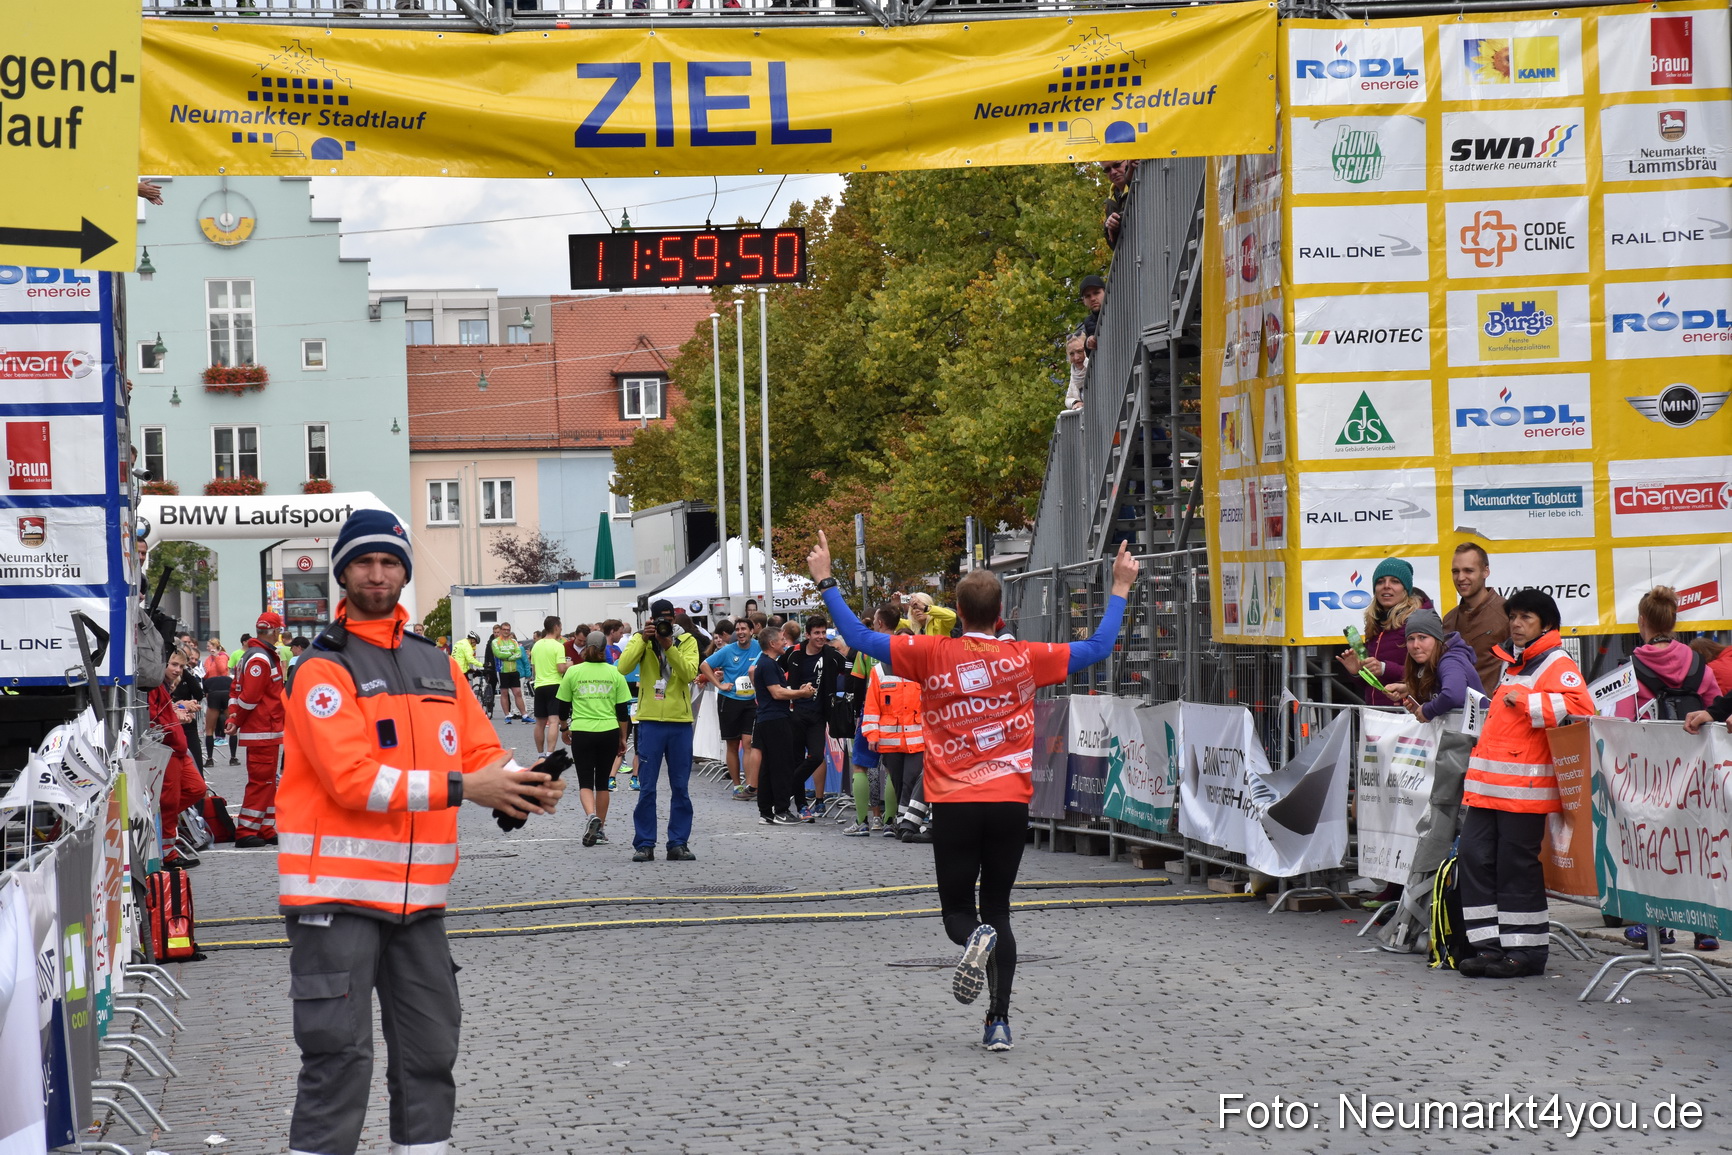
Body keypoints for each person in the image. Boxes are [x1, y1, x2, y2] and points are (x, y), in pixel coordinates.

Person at [277, 508, 564, 1155]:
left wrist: (524, 781)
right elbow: (355, 780)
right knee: (338, 1064)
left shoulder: (437, 662)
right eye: (364, 562)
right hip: (336, 901)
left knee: (431, 1057)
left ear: (405, 572)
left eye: (389, 562)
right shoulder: (322, 669)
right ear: (343, 571)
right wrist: (469, 788)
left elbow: (483, 754)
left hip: (420, 905)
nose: (377, 574)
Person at [810, 530, 1138, 1052]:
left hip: (955, 804)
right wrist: (1120, 585)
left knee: (960, 914)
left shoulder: (931, 652)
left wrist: (826, 578)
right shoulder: (1028, 656)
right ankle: (999, 1022)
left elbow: (856, 636)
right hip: (1009, 803)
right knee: (1000, 911)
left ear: (957, 611)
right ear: (1001, 611)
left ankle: (972, 940)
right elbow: (1099, 647)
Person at [1455, 589, 1595, 980]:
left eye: (1526, 618)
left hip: (1525, 790)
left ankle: (1525, 952)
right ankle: (1487, 947)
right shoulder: (1514, 663)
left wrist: (1530, 701)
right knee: (1474, 858)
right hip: (1489, 788)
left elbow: (1583, 710)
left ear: (1546, 625)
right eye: (1513, 616)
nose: (1516, 624)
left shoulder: (1557, 662)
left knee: (1515, 867)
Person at [1616, 587, 1723, 952]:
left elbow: (1621, 722)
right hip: (1697, 771)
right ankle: (1706, 929)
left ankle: (1655, 927)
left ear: (1641, 622)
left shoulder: (1632, 668)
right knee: (1698, 845)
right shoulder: (1698, 664)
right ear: (1674, 621)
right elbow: (1714, 708)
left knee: (1657, 846)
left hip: (1653, 774)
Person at [618, 598, 702, 862]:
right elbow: (623, 667)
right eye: (661, 619)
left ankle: (678, 842)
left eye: (670, 618)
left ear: (675, 618)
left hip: (679, 722)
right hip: (651, 721)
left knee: (680, 787)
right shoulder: (641, 639)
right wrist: (644, 640)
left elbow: (689, 673)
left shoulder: (686, 640)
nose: (666, 623)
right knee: (647, 787)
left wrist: (669, 646)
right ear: (652, 619)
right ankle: (644, 843)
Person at [557, 631, 632, 848]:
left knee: (585, 782)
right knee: (602, 784)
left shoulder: (573, 672)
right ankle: (600, 830)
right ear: (604, 649)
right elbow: (622, 712)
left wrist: (564, 728)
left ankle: (591, 816)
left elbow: (563, 705)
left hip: (582, 731)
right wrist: (623, 737)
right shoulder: (614, 672)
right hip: (608, 731)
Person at [862, 621, 929, 841]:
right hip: (890, 740)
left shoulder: (923, 670)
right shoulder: (879, 671)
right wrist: (872, 734)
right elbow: (872, 706)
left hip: (917, 738)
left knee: (911, 778)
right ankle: (904, 823)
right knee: (899, 782)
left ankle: (907, 823)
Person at [227, 610, 287, 847]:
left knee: (268, 781)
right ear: (273, 631)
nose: (279, 635)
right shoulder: (261, 658)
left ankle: (265, 826)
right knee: (261, 782)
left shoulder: (252, 655)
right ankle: (246, 831)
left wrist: (233, 716)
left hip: (265, 728)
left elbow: (236, 690)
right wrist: (237, 720)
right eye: (279, 631)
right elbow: (250, 697)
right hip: (262, 728)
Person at [1335, 557, 1427, 708]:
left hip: (1410, 716)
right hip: (1378, 714)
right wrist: (1357, 672)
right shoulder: (1376, 623)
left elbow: (1429, 674)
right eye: (1380, 582)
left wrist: (1384, 668)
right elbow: (1372, 685)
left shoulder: (1418, 621)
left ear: (1406, 589)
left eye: (1395, 581)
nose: (1386, 586)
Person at [843, 603, 900, 837]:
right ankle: (889, 822)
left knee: (861, 766)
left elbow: (856, 684)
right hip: (899, 713)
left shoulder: (867, 648)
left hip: (872, 710)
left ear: (880, 622)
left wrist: (859, 714)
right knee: (892, 767)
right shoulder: (906, 646)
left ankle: (862, 822)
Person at [785, 613, 846, 820]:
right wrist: (790, 691)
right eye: (816, 633)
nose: (821, 637)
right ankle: (802, 807)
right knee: (795, 759)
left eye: (823, 632)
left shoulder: (831, 654)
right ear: (807, 634)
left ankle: (787, 785)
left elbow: (852, 670)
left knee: (816, 757)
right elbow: (774, 670)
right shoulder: (795, 653)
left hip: (818, 716)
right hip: (795, 713)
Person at [151, 651, 208, 864]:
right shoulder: (155, 686)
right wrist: (177, 717)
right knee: (169, 801)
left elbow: (160, 715)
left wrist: (178, 711)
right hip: (169, 749)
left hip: (177, 749)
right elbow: (152, 719)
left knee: (196, 789)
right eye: (174, 665)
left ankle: (162, 834)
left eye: (181, 667)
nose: (177, 670)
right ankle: (168, 853)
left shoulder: (162, 685)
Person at [1382, 609, 1484, 724]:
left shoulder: (1451, 660)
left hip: (1476, 736)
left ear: (1437, 639)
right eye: (1411, 639)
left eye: (1422, 637)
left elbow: (1453, 695)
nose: (1415, 645)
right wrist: (1412, 690)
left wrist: (1427, 711)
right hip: (1458, 737)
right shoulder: (1428, 661)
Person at [701, 617, 762, 801]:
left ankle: (751, 785)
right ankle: (737, 785)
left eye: (744, 628)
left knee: (749, 742)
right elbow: (704, 665)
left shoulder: (758, 647)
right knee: (733, 745)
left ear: (752, 631)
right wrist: (719, 685)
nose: (741, 632)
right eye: (738, 629)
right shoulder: (728, 650)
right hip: (730, 701)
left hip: (751, 701)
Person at [752, 624, 805, 826]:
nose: (785, 642)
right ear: (772, 643)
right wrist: (801, 693)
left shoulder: (768, 663)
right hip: (775, 720)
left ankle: (766, 811)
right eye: (782, 639)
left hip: (769, 719)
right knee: (781, 766)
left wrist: (795, 690)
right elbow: (777, 692)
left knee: (768, 766)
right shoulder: (767, 664)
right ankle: (781, 810)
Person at [1441, 543, 1508, 692]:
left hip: (1494, 710)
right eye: (1455, 571)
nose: (1460, 577)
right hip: (1453, 709)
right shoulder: (1449, 619)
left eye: (1468, 571)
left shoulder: (1507, 613)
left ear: (1486, 571)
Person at [530, 616, 569, 757]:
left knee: (539, 723)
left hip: (539, 685)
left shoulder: (536, 646)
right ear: (556, 627)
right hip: (554, 685)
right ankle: (549, 753)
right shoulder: (558, 646)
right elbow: (560, 668)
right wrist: (568, 665)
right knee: (553, 722)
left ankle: (540, 753)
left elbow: (534, 670)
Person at [203, 643, 236, 768]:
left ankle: (210, 759)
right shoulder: (229, 678)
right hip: (227, 691)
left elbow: (206, 695)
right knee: (232, 727)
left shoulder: (208, 677)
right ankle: (233, 757)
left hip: (213, 692)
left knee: (209, 730)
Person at [491, 623, 527, 722]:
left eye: (508, 629)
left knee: (518, 692)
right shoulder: (495, 642)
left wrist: (507, 656)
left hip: (514, 670)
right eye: (504, 629)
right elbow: (498, 654)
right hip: (502, 670)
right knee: (504, 693)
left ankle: (524, 715)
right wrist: (510, 654)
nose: (506, 631)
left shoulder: (514, 641)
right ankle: (507, 715)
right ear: (501, 630)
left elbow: (519, 654)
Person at [1102, 158, 1137, 247]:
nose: (1113, 172)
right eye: (1107, 169)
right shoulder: (1111, 202)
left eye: (1117, 165)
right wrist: (1109, 227)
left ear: (1128, 161)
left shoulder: (1143, 182)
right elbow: (1115, 247)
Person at [1077, 274, 1106, 352]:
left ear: (1106, 292)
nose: (1092, 298)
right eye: (1088, 296)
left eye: (1096, 293)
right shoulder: (1088, 322)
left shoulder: (1120, 310)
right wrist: (1088, 343)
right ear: (1084, 301)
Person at [1064, 334, 1088, 412]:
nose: (1076, 357)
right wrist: (1076, 402)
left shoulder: (1095, 367)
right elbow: (1068, 399)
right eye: (1071, 354)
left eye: (1080, 351)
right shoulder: (1074, 373)